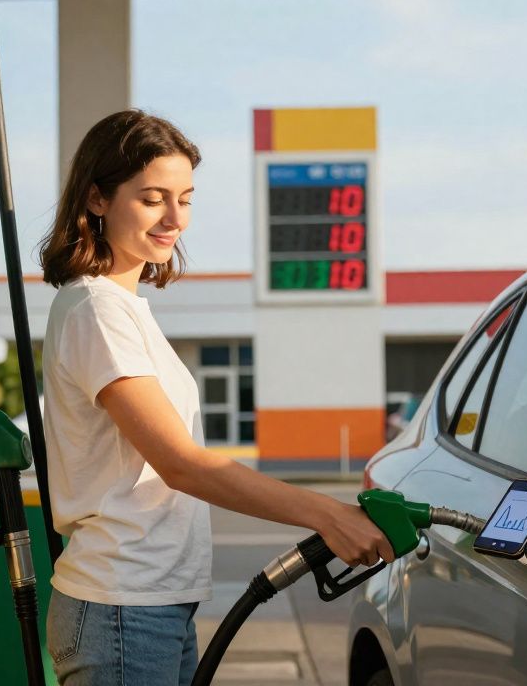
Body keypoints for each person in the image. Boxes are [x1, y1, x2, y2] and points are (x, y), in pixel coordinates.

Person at [37, 110, 393, 686]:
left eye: (186, 198)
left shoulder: (124, 307)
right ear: (98, 200)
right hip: (123, 605)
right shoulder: (96, 309)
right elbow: (181, 465)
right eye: (153, 198)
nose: (174, 218)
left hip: (152, 602)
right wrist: (328, 514)